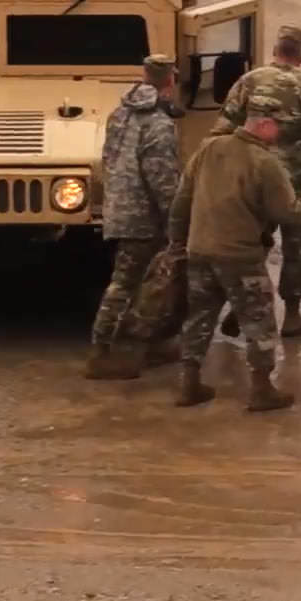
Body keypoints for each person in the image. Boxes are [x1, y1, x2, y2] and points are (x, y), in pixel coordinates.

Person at [169, 94, 301, 412]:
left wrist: (177, 243)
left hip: (200, 251)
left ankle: (189, 383)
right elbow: (288, 211)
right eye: (277, 125)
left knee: (199, 316)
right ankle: (262, 389)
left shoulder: (209, 148)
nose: (279, 132)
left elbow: (182, 200)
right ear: (264, 124)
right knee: (259, 321)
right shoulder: (264, 162)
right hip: (239, 256)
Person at [213, 24, 301, 339]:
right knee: (296, 247)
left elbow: (223, 126)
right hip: (293, 182)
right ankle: (293, 316)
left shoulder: (248, 81)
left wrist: (220, 169)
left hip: (252, 177)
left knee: (253, 241)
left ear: (276, 51)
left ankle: (241, 306)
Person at [85, 54, 186, 379]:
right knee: (130, 284)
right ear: (170, 81)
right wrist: (177, 222)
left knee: (147, 282)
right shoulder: (158, 124)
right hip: (144, 218)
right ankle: (102, 354)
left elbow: (109, 158)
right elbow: (163, 180)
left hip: (120, 209)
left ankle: (150, 344)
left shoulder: (120, 114)